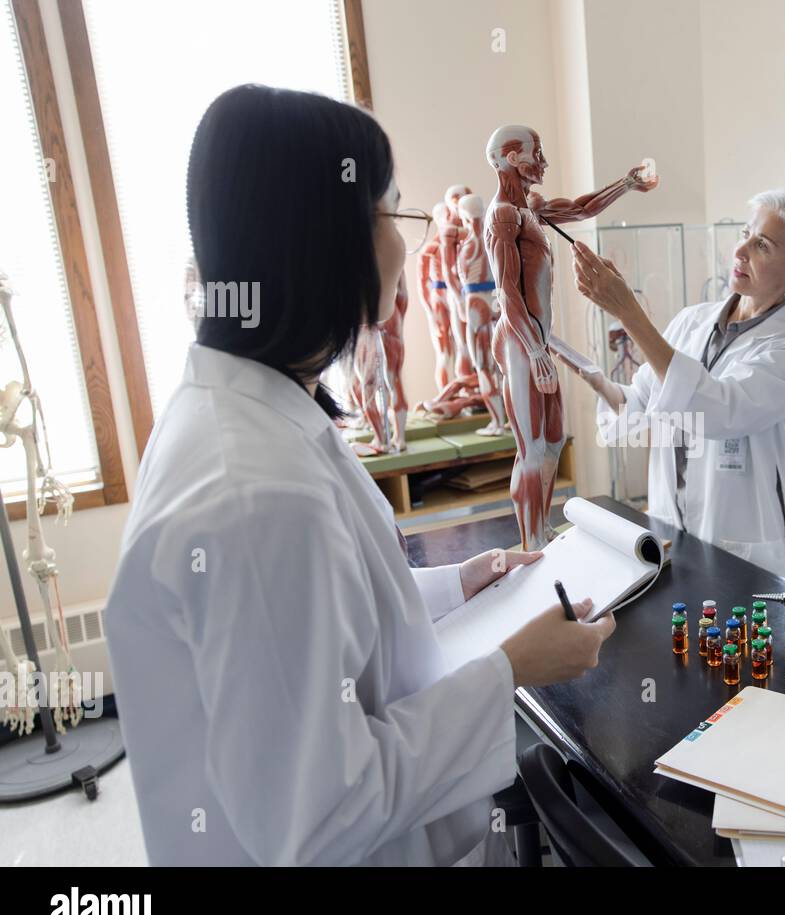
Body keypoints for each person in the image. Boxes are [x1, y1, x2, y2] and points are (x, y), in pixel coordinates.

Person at [102, 85, 615, 866]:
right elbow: (323, 810)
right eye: (391, 215)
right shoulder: (257, 496)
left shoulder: (250, 408)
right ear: (320, 238)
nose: (409, 248)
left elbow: (321, 626)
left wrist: (458, 583)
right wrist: (511, 670)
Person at [560, 189, 785, 578]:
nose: (740, 250)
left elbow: (718, 412)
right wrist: (596, 381)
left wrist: (629, 312)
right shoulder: (692, 321)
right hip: (669, 528)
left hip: (742, 548)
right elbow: (639, 403)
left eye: (762, 244)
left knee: (734, 635)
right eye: (746, 233)